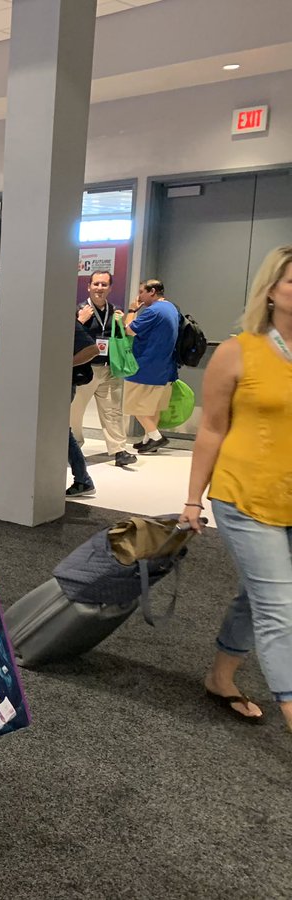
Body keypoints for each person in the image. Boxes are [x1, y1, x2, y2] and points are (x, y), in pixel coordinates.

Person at [182, 245, 292, 735]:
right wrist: (191, 499)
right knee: (280, 609)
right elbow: (211, 430)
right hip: (245, 496)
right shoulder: (237, 351)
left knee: (260, 595)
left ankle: (221, 677)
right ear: (271, 291)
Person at [71, 270, 136, 466]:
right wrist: (80, 321)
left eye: (104, 284)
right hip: (85, 369)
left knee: (113, 411)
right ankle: (74, 448)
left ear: (110, 288)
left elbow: (126, 335)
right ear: (88, 287)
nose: (100, 288)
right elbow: (68, 336)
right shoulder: (79, 310)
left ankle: (119, 450)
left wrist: (123, 323)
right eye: (96, 284)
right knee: (75, 412)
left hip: (109, 369)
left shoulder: (115, 311)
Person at [124, 279, 180, 453]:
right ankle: (148, 440)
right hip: (165, 367)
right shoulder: (172, 308)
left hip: (145, 366)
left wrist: (133, 310)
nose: (139, 296)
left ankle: (156, 437)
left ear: (152, 291)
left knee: (135, 405)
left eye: (142, 292)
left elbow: (129, 330)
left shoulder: (153, 311)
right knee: (152, 407)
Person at [66, 320, 103, 497]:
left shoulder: (67, 323)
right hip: (42, 382)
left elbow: (93, 349)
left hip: (60, 384)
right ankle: (82, 479)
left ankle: (82, 479)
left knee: (60, 431)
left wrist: (63, 365)